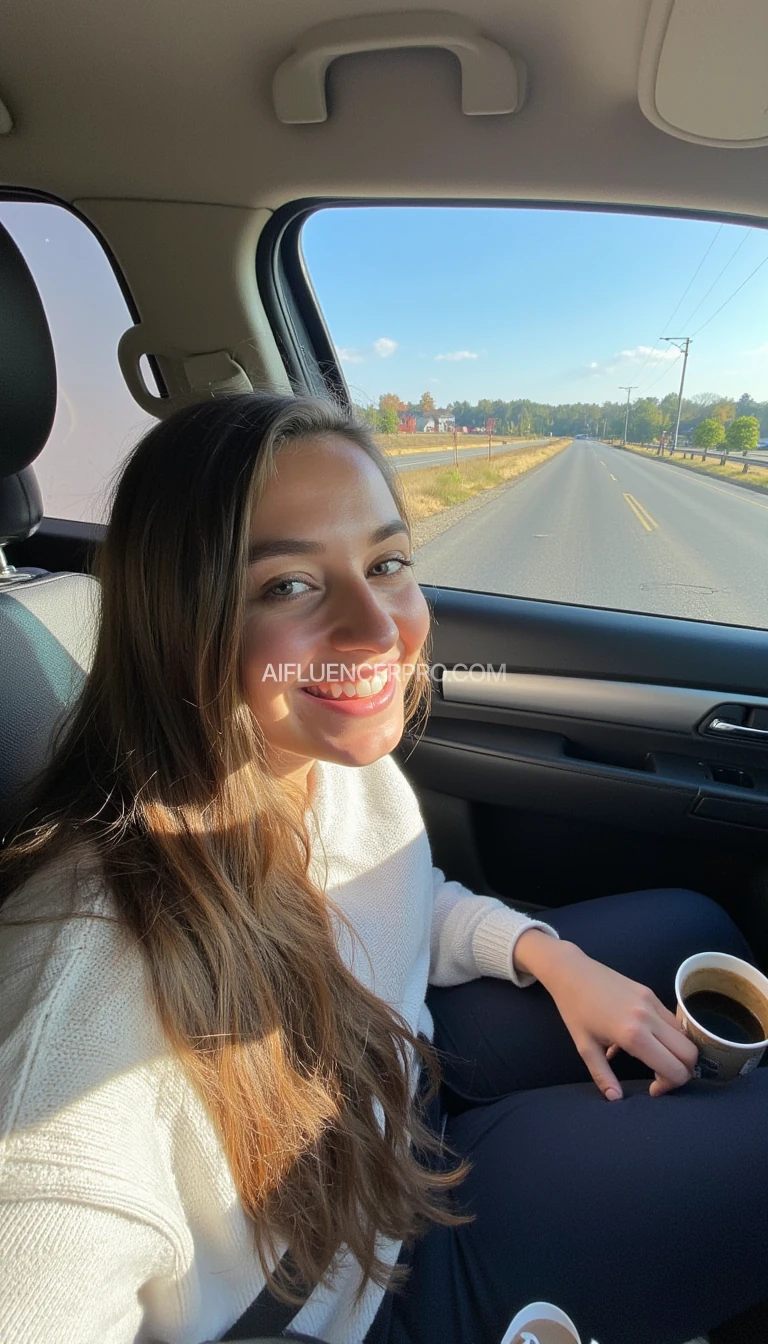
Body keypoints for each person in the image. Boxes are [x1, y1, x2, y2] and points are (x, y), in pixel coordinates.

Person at [0, 392, 766, 1344]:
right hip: (360, 1293)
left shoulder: (311, 761)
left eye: (388, 563)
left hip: (394, 1103)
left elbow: (395, 893)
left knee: (694, 924)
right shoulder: (83, 1033)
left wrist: (547, 956)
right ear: (181, 622)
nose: (379, 632)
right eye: (289, 586)